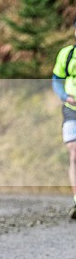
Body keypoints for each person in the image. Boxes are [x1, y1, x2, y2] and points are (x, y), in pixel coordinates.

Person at [52, 19, 76, 219]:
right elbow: (56, 79)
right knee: (74, 153)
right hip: (71, 110)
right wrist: (64, 96)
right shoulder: (66, 55)